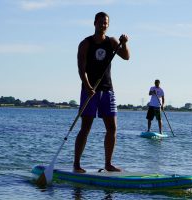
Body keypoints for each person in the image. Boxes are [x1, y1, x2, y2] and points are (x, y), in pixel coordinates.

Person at [74, 12, 130, 173]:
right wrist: (88, 86)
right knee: (86, 128)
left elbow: (126, 57)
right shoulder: (86, 43)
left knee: (112, 128)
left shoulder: (112, 42)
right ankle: (76, 164)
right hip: (89, 91)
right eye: (100, 22)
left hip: (107, 90)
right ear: (94, 23)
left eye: (105, 23)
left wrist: (124, 43)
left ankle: (108, 164)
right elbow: (81, 68)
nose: (103, 25)